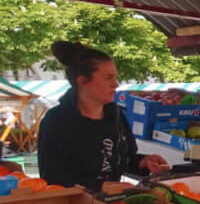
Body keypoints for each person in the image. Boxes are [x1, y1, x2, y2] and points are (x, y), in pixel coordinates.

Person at [38, 41, 169, 192]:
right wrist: (99, 186)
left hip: (112, 201)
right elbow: (51, 177)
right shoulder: (56, 121)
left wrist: (144, 162)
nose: (116, 84)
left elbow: (124, 160)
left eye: (115, 77)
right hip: (73, 202)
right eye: (108, 78)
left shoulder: (116, 116)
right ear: (82, 81)